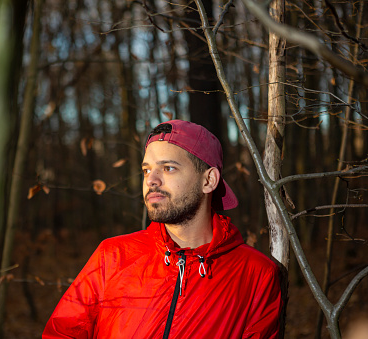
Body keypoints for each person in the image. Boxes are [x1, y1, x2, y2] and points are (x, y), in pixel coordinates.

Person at [43, 120, 283, 338]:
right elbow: (61, 333)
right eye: (147, 169)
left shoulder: (257, 274)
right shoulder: (113, 256)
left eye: (168, 168)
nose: (151, 180)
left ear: (208, 180)